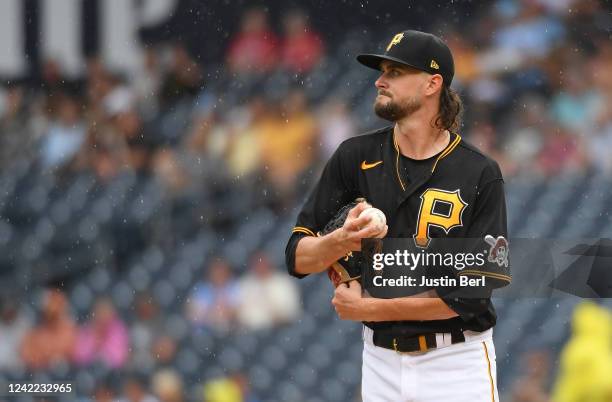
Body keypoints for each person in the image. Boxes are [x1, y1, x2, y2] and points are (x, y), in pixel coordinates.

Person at [285, 30, 509, 401]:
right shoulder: (354, 156)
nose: (380, 80)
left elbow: (471, 297)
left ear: (432, 84)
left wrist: (368, 307)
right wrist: (339, 240)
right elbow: (296, 256)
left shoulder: (479, 172)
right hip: (380, 361)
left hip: (456, 363)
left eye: (395, 71)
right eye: (382, 70)